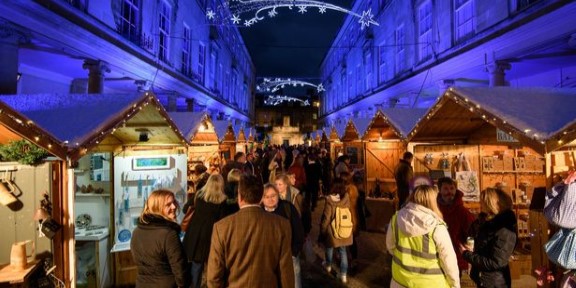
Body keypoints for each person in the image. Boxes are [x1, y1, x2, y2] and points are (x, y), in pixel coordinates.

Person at [207, 174, 294, 288]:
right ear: (261, 197)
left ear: (240, 197)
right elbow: (286, 273)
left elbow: (214, 276)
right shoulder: (281, 225)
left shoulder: (222, 227)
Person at [386, 185, 460, 288]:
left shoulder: (396, 219)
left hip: (400, 281)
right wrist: (455, 285)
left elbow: (390, 247)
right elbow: (449, 262)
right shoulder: (437, 227)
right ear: (433, 201)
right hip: (431, 284)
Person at [131, 189, 190, 288]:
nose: (174, 207)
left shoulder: (136, 231)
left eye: (174, 202)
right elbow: (180, 270)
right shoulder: (169, 234)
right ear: (157, 208)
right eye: (168, 205)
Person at [460, 188, 517, 288]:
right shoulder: (489, 223)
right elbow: (484, 245)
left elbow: (495, 262)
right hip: (485, 279)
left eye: (483, 203)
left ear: (491, 204)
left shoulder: (504, 229)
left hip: (495, 282)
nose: (480, 205)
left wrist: (467, 255)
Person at [183, 174, 227, 288]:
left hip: (195, 234)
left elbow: (184, 209)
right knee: (213, 265)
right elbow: (222, 221)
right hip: (211, 235)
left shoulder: (199, 195)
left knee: (196, 265)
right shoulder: (222, 201)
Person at [261, 183, 305, 288]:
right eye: (266, 197)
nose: (270, 199)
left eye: (273, 196)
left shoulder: (287, 207)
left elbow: (298, 231)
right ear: (262, 199)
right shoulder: (259, 212)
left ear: (278, 195)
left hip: (289, 256)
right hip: (268, 260)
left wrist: (293, 252)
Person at [436, 177, 475, 275]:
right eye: (445, 188)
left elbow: (472, 233)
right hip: (437, 256)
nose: (449, 192)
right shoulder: (435, 209)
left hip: (456, 257)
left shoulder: (462, 212)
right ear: (439, 190)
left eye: (452, 188)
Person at [319, 179, 353, 284]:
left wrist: (323, 231)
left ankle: (328, 266)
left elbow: (326, 218)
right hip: (344, 230)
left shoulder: (330, 201)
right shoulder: (347, 199)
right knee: (343, 252)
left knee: (329, 249)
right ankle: (343, 275)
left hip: (332, 231)